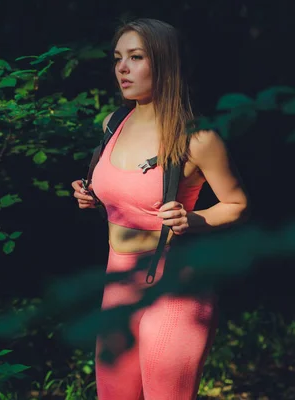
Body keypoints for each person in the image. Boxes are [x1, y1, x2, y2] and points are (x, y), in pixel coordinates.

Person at [71, 18, 249, 399]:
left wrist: (194, 219)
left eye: (136, 57)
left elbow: (237, 205)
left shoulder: (196, 138)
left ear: (166, 64)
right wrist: (91, 196)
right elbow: (125, 196)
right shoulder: (113, 123)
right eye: (118, 58)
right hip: (117, 282)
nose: (122, 68)